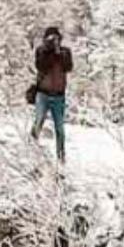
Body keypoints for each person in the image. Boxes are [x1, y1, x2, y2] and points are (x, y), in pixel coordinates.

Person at [31, 26, 73, 162]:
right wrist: (49, 51)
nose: (54, 41)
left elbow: (68, 67)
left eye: (56, 38)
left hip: (59, 96)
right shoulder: (41, 51)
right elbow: (41, 66)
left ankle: (61, 157)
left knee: (60, 128)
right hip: (43, 94)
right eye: (51, 39)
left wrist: (58, 52)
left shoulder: (65, 52)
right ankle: (31, 151)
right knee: (38, 122)